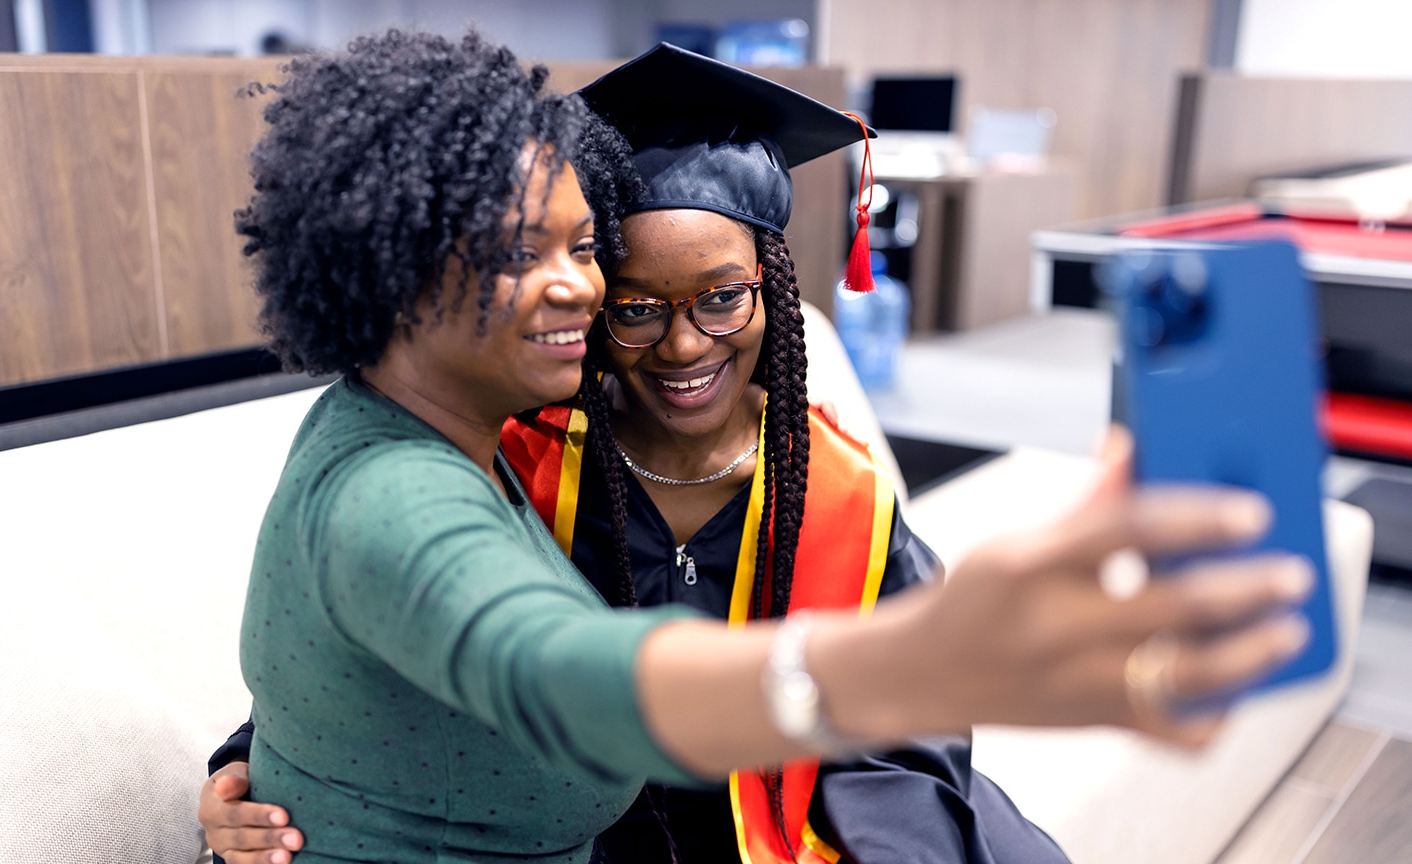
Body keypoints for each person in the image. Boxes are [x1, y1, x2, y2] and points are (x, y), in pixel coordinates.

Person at [204, 29, 1313, 864]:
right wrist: (252, 760)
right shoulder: (531, 451)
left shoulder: (830, 487)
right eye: (633, 305)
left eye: (580, 249)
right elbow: (501, 644)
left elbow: (905, 751)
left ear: (770, 294)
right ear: (392, 273)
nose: (677, 342)